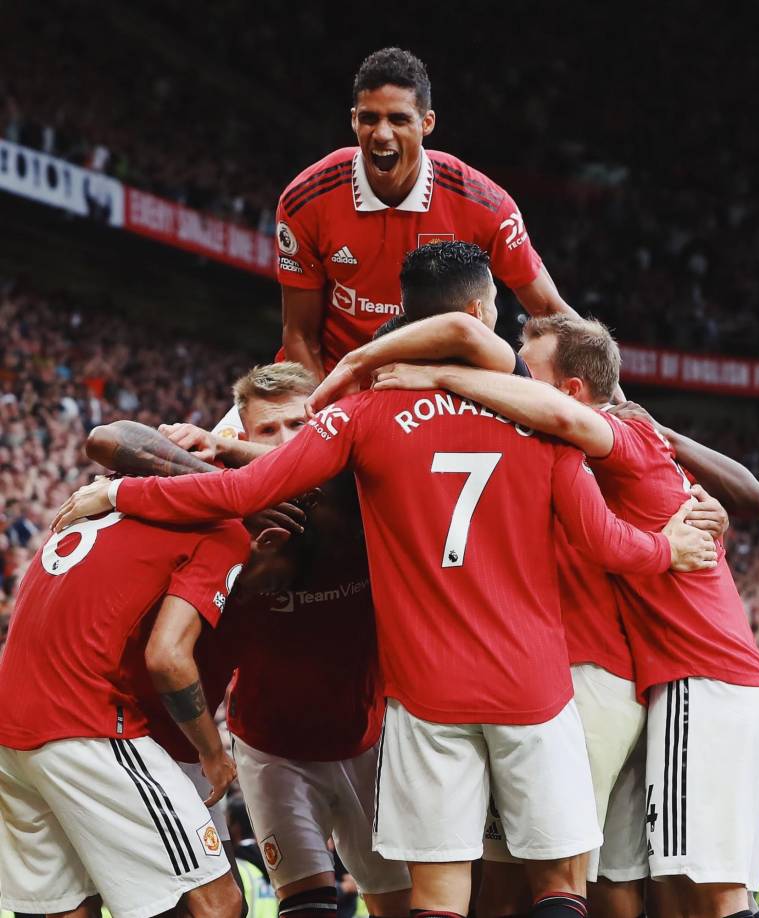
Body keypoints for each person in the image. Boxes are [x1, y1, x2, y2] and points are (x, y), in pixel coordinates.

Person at [52, 247, 716, 918]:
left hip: (423, 696)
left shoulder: (359, 419)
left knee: (437, 894)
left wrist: (126, 494)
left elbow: (242, 487)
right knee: (560, 883)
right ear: (482, 314)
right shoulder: (539, 418)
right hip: (532, 685)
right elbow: (604, 540)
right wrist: (669, 548)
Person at [370, 313, 759, 918]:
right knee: (642, 886)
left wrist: (435, 377)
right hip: (657, 684)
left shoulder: (598, 443)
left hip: (674, 680)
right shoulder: (608, 455)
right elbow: (746, 496)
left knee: (554, 876)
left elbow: (750, 495)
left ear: (571, 393)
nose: (511, 377)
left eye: (524, 370)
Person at [87, 362, 412, 918]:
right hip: (269, 747)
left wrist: (232, 457)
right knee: (307, 906)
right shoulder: (226, 510)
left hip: (369, 742)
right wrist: (217, 474)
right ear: (243, 436)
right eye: (268, 431)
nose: (287, 442)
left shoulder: (361, 497)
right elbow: (105, 439)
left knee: (399, 907)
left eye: (299, 426)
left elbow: (326, 469)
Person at [0, 491, 250, 917]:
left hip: (11, 735)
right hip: (86, 724)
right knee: (218, 901)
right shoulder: (223, 528)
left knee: (67, 907)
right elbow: (168, 659)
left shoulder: (89, 510)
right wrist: (214, 754)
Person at [276, 46, 575, 382]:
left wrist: (613, 404)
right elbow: (300, 335)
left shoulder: (485, 205)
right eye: (369, 118)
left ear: (426, 123)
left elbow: (549, 312)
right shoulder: (306, 198)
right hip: (334, 383)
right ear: (353, 119)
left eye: (399, 119)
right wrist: (328, 417)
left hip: (436, 391)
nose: (382, 133)